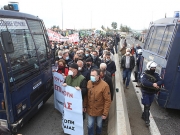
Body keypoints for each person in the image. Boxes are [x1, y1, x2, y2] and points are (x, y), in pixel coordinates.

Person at [83, 69, 111, 135]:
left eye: (93, 75)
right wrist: (84, 106)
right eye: (90, 75)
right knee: (90, 125)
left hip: (100, 110)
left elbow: (107, 100)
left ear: (98, 76)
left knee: (99, 125)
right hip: (90, 109)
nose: (91, 77)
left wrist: (105, 113)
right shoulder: (89, 82)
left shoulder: (105, 86)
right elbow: (86, 96)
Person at [140, 61, 163, 127]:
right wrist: (153, 84)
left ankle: (144, 115)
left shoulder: (156, 74)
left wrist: (157, 84)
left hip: (152, 93)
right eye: (152, 68)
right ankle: (147, 120)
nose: (154, 69)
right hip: (145, 92)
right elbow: (144, 82)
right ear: (149, 67)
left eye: (155, 68)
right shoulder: (144, 74)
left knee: (148, 106)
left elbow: (161, 80)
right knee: (146, 106)